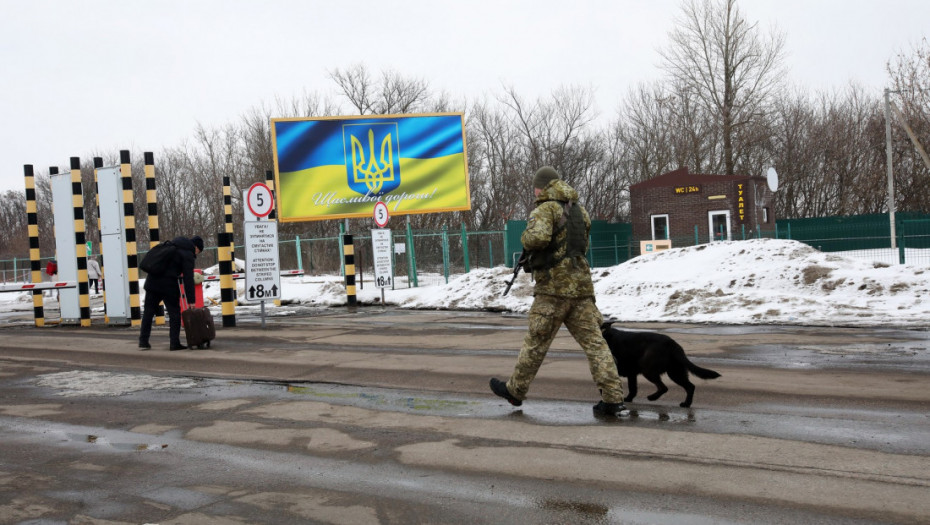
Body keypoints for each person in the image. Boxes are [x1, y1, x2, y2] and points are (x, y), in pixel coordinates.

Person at [489, 167, 628, 417]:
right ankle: (613, 398)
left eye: (535, 187)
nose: (535, 191)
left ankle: (515, 391)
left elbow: (537, 239)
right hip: (581, 288)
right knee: (596, 344)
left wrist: (526, 236)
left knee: (536, 343)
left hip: (552, 289)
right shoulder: (579, 210)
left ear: (542, 186)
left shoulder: (546, 209)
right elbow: (582, 244)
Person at [139, 236, 203, 351]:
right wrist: (191, 301)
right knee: (174, 314)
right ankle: (174, 343)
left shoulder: (169, 245)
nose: (197, 254)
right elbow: (188, 278)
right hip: (168, 286)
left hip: (152, 282)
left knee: (148, 312)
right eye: (198, 251)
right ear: (196, 247)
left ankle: (143, 341)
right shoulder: (187, 254)